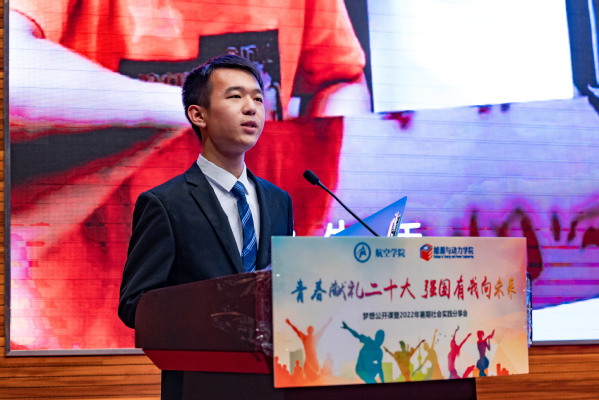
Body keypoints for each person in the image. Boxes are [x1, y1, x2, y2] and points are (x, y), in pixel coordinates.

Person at [118, 54, 294, 399]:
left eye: (258, 98)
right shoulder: (165, 203)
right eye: (235, 96)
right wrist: (217, 317)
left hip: (274, 385)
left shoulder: (279, 200)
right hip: (199, 385)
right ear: (198, 115)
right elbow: (135, 305)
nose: (251, 108)